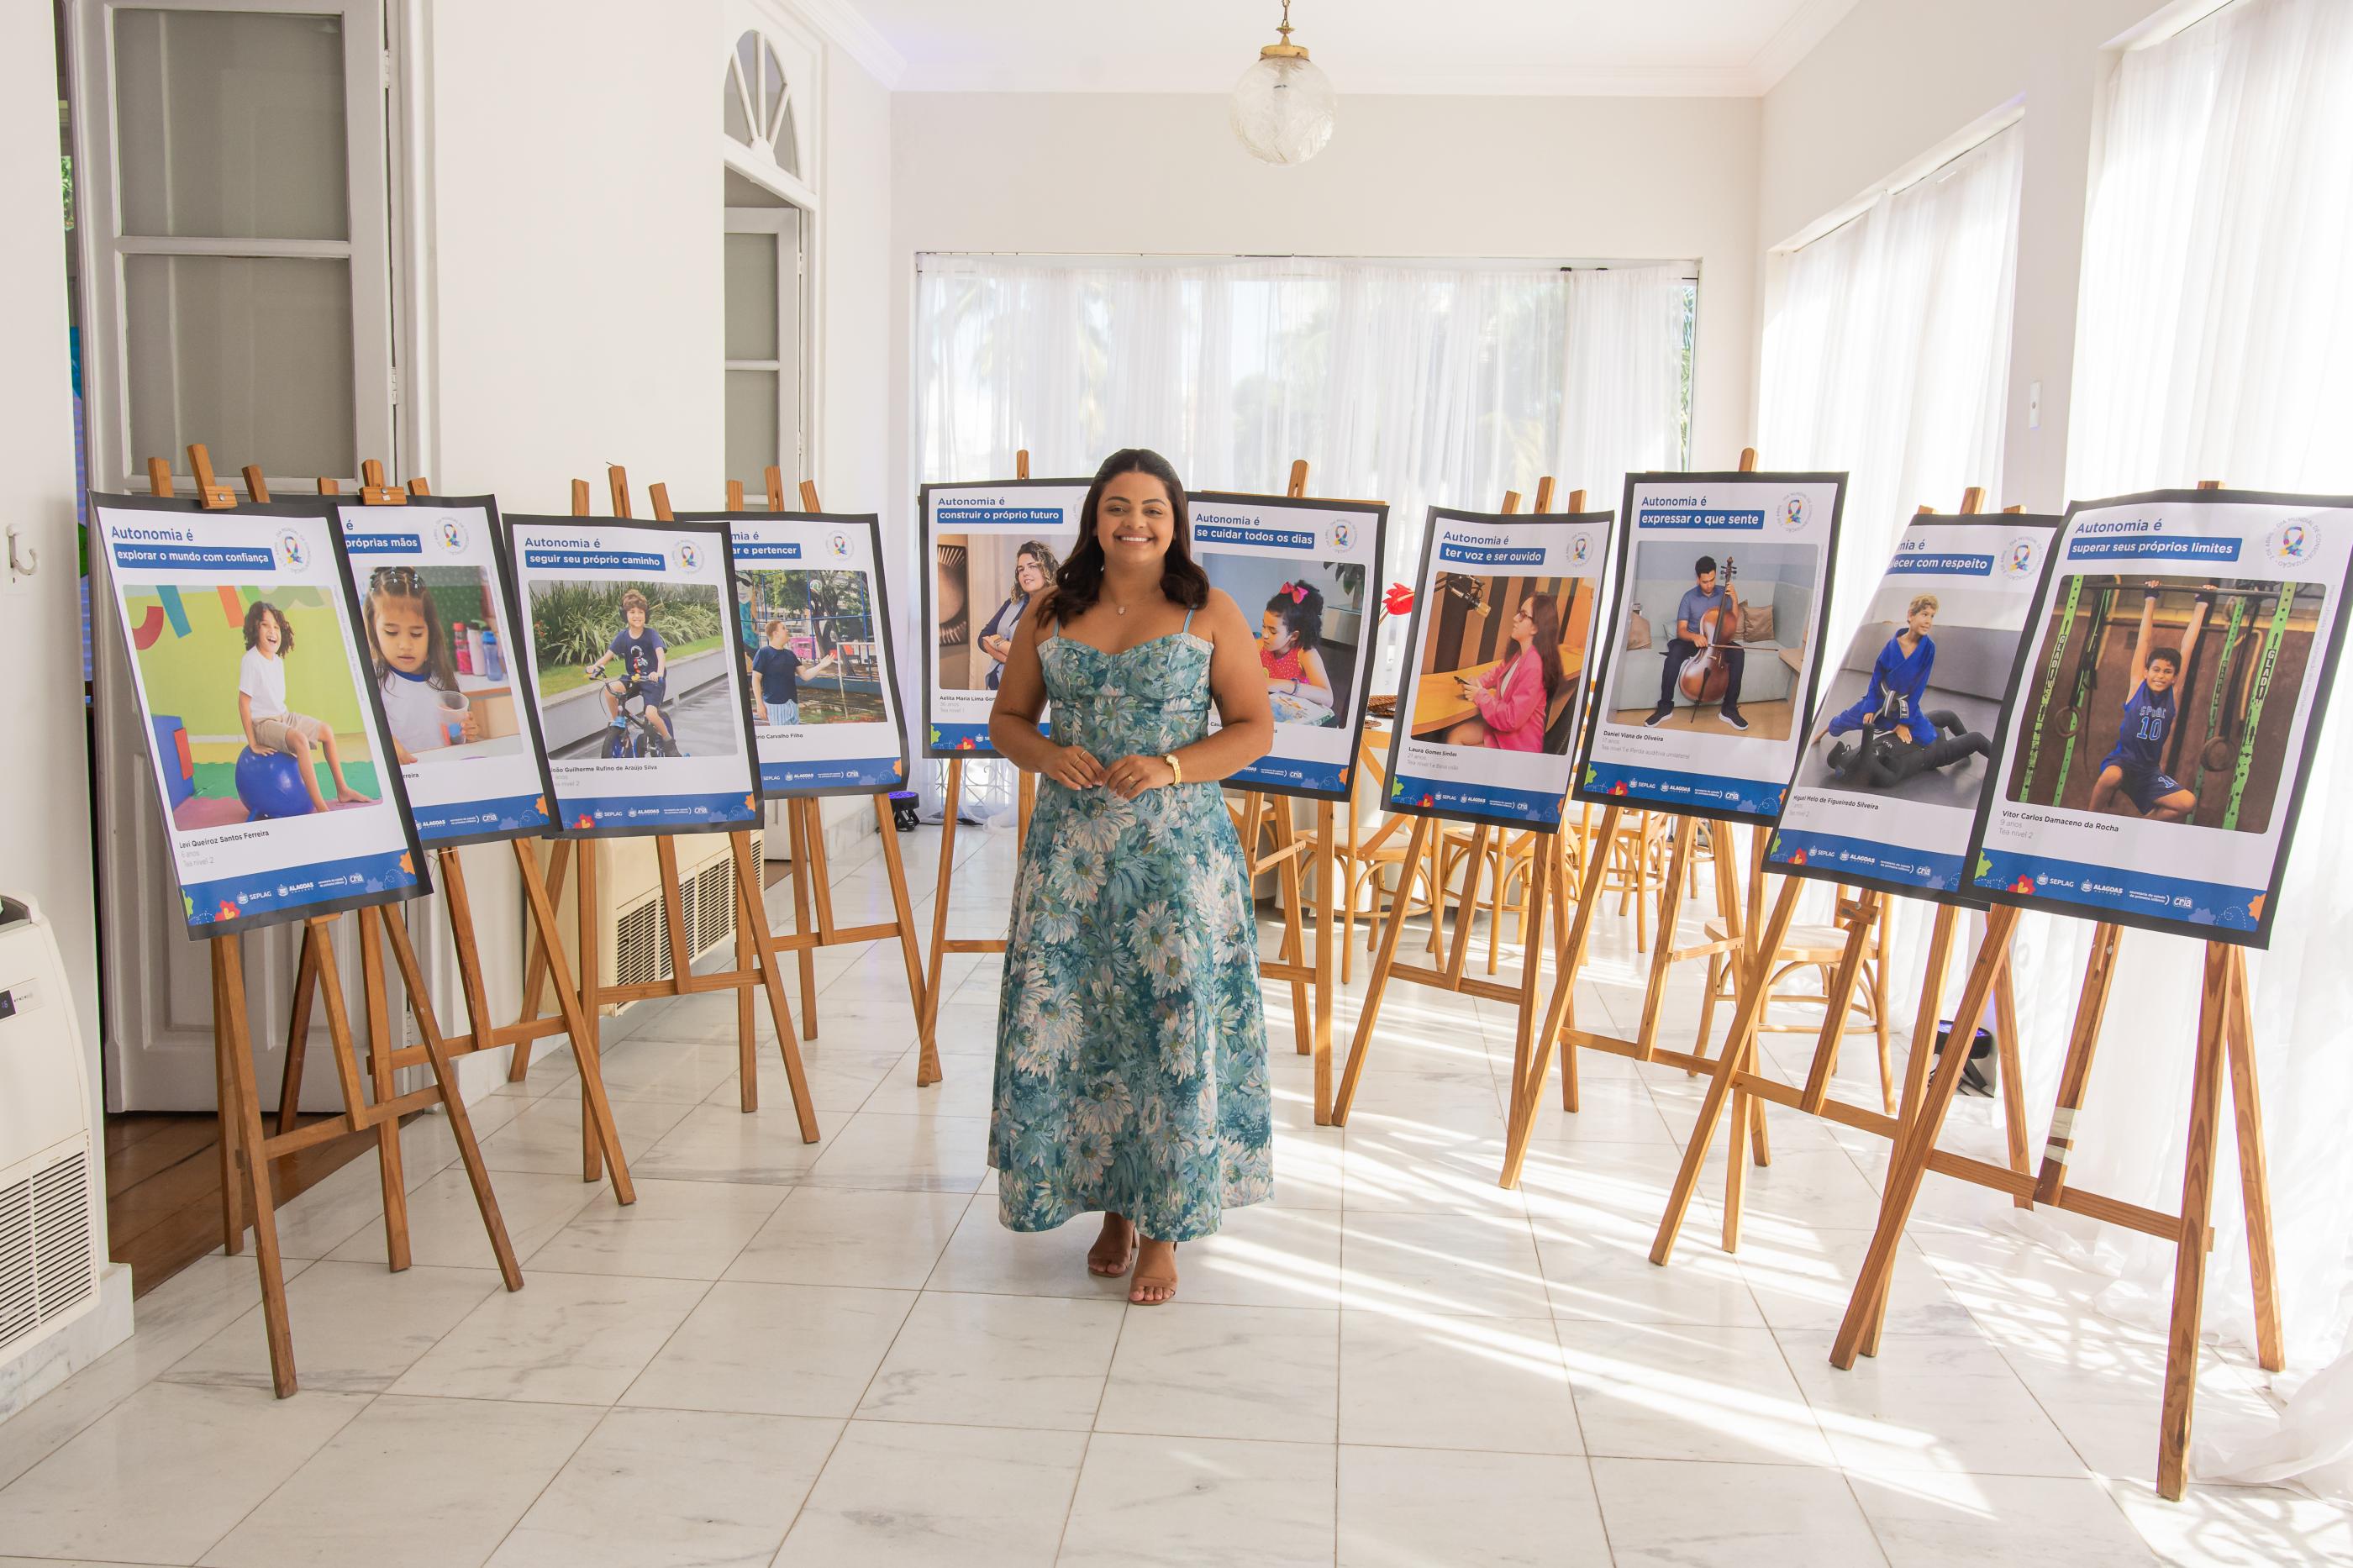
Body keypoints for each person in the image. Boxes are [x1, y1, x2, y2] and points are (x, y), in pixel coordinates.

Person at [987, 447, 1276, 1306]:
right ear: (1094, 519)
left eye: (1153, 508)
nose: (1135, 523)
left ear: (1175, 520)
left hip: (1175, 868)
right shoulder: (1050, 608)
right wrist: (1046, 753)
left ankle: (1163, 1229)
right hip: (1071, 865)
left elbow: (1255, 727)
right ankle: (1109, 1209)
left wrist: (1171, 765)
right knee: (1080, 1031)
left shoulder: (1208, 610)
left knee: (1166, 1031)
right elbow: (1007, 720)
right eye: (1118, 507)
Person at [2088, 580, 2213, 822]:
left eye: (2167, 672)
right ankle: (2089, 820)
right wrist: (2150, 599)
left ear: (2175, 676)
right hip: (2121, 763)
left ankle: (2138, 829)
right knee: (2110, 777)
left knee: (2187, 802)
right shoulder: (2137, 685)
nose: (2160, 675)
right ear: (2147, 671)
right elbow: (2143, 643)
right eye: (2156, 670)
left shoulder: (2173, 693)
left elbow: (2187, 647)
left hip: (2148, 772)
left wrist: (2202, 605)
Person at [236, 601, 371, 809]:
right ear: (255, 628)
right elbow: (243, 704)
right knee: (299, 740)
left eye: (276, 627)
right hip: (262, 723)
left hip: (283, 716)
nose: (272, 631)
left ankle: (343, 789)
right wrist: (252, 742)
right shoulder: (251, 660)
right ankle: (320, 805)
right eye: (265, 625)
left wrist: (286, 722)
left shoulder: (277, 661)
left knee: (326, 731)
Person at [363, 566, 480, 765]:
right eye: (391, 632)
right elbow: (362, 736)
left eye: (416, 634)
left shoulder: (442, 679)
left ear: (430, 633)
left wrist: (469, 733)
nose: (406, 645)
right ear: (374, 632)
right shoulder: (371, 678)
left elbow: (455, 739)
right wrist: (383, 742)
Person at [1445, 593, 1565, 750]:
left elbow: (1511, 719)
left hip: (1517, 744)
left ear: (1536, 627)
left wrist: (1480, 695)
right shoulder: (1521, 654)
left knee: (1459, 748)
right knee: (1455, 736)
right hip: (1504, 731)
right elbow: (1498, 672)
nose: (1515, 618)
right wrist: (1478, 682)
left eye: (1523, 615)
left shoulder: (1535, 666)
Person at [1645, 555, 1747, 730]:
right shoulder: (1688, 597)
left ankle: (1729, 709)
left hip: (1717, 643)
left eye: (1712, 580)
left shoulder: (1725, 594)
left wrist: (1735, 600)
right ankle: (1665, 707)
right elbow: (1681, 631)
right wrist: (1695, 637)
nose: (1709, 585)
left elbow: (1732, 623)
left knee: (1738, 653)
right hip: (1693, 641)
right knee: (1674, 654)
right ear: (1698, 579)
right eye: (1705, 581)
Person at [1826, 594, 1938, 745]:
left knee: (1928, 737)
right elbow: (1876, 678)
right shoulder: (1892, 646)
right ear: (1911, 615)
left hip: (1903, 706)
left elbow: (1919, 687)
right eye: (1924, 615)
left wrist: (1905, 723)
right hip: (1880, 699)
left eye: (1932, 616)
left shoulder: (1929, 648)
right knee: (1842, 722)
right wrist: (1870, 707)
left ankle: (1899, 729)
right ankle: (1824, 730)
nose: (1928, 622)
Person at [583, 587, 674, 745]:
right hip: (634, 678)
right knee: (610, 690)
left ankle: (669, 742)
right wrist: (595, 666)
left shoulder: (650, 634)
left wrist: (658, 673)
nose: (637, 616)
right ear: (625, 615)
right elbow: (607, 656)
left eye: (640, 612)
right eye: (632, 612)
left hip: (652, 681)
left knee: (651, 715)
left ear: (646, 615)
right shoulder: (623, 636)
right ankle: (619, 727)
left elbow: (660, 654)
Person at [1826, 708, 1990, 789]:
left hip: (1913, 731)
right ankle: (2002, 765)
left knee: (1949, 716)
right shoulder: (1884, 775)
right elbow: (1889, 778)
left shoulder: (1859, 756)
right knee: (1976, 739)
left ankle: (1965, 747)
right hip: (1933, 752)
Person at [976, 542, 1059, 690]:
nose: (1025, 573)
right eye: (1021, 569)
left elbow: (1038, 656)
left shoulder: (1057, 607)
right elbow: (983, 636)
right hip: (995, 688)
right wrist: (1010, 659)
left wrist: (998, 642)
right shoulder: (1012, 603)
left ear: (1046, 569)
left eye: (1032, 566)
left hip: (1025, 691)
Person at [1260, 581, 1335, 716]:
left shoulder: (1305, 654)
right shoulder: (1260, 646)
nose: (1264, 634)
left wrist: (1282, 685)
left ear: (1293, 635)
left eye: (1272, 631)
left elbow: (1328, 698)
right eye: (1263, 626)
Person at [750, 619, 839, 725]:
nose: (787, 630)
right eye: (783, 628)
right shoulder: (763, 653)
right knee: (783, 738)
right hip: (775, 705)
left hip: (793, 704)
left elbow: (805, 675)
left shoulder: (790, 654)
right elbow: (755, 679)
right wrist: (760, 705)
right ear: (775, 633)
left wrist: (821, 666)